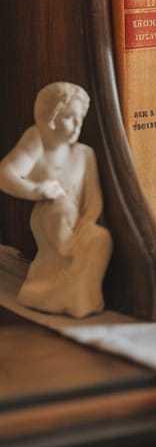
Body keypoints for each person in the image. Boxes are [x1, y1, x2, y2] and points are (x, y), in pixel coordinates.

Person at [0, 82, 113, 317]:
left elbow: (94, 200)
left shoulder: (85, 154)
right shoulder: (37, 140)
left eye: (80, 117)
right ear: (49, 117)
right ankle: (56, 289)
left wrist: (86, 223)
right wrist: (36, 190)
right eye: (69, 117)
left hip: (79, 225)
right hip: (50, 222)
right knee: (59, 211)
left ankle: (76, 293)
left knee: (101, 239)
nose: (77, 125)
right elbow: (6, 174)